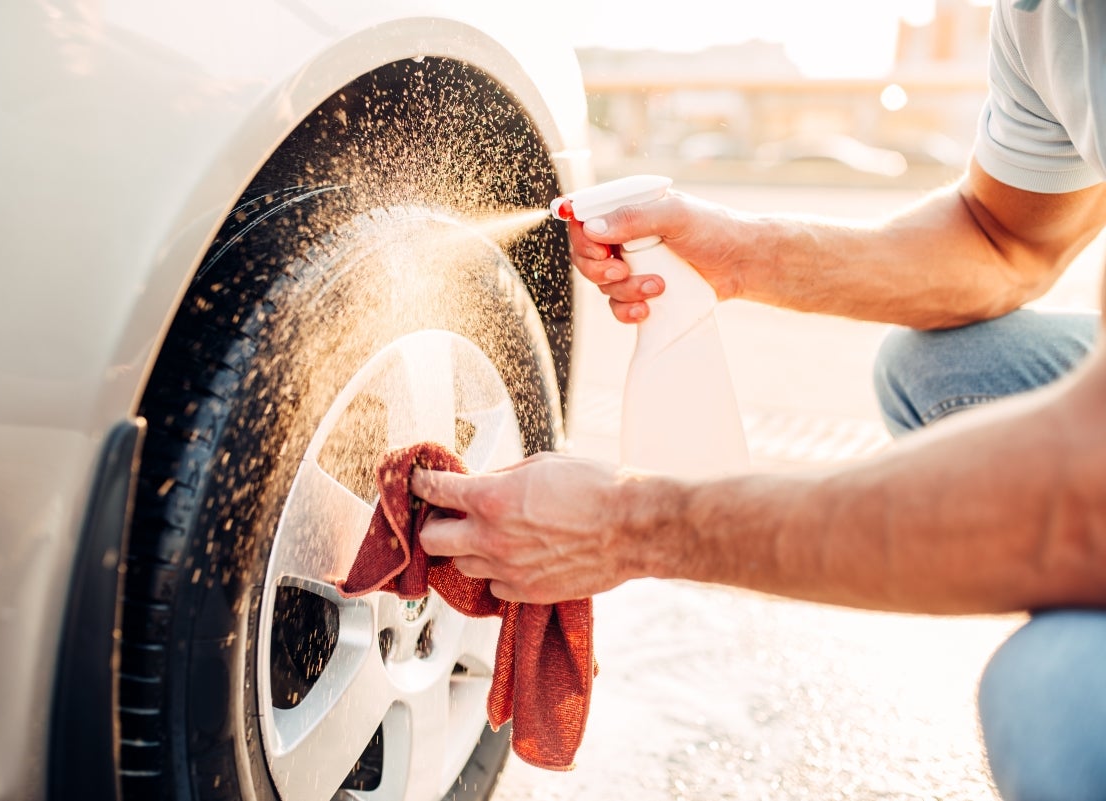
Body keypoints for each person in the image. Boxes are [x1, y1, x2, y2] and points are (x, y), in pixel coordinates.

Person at [412, 2, 1106, 799]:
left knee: (1053, 695)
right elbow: (1001, 241)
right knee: (945, 369)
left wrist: (634, 526)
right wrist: (737, 253)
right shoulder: (1043, 17)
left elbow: (1081, 501)